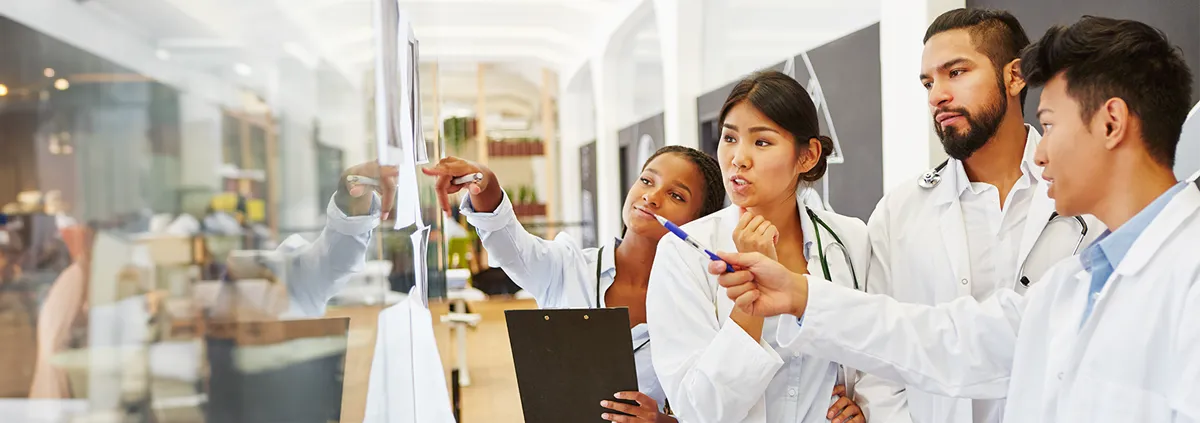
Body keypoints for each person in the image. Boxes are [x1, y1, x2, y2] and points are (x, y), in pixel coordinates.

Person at [709, 16, 1199, 423]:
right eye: (928, 82)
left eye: (1049, 126)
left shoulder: (1184, 269)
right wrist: (799, 295)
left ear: (1111, 123)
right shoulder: (1072, 285)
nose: (1042, 153)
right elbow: (946, 338)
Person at [858, 9, 1103, 423]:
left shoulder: (1090, 198)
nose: (936, 95)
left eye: (955, 72)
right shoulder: (898, 214)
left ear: (1015, 76)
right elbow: (878, 366)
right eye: (928, 82)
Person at [422, 146, 726, 423]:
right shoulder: (567, 267)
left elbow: (718, 407)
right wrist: (483, 180)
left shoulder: (703, 304)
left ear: (698, 223)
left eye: (676, 196)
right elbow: (506, 240)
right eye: (647, 181)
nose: (652, 196)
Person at [646, 71, 870, 423]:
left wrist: (864, 407)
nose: (738, 158)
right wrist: (750, 300)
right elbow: (699, 410)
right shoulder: (683, 253)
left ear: (807, 156)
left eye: (761, 142)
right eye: (729, 138)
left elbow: (876, 356)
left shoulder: (850, 239)